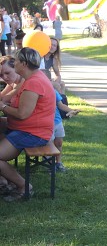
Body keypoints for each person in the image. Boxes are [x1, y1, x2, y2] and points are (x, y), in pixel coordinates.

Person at [0, 48, 56, 201]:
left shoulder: (34, 83)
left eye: (16, 61)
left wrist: (3, 107)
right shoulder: (32, 78)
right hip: (26, 128)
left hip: (34, 133)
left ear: (23, 64)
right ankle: (4, 181)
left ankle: (24, 186)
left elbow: (22, 114)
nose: (14, 63)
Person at [50, 89, 80, 172]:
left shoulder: (53, 91)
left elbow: (61, 105)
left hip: (57, 121)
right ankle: (49, 165)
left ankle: (58, 163)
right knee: (49, 144)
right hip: (47, 123)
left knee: (59, 143)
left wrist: (71, 110)